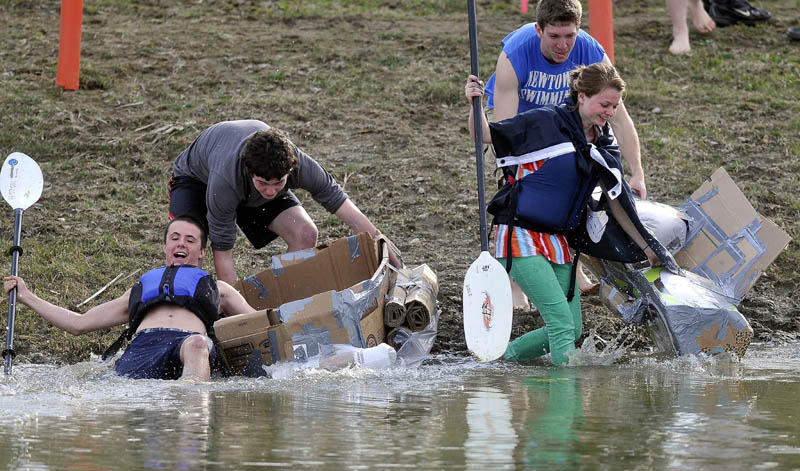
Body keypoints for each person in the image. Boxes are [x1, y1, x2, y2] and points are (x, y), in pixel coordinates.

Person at [465, 63, 635, 366]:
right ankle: (564, 402)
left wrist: (646, 247)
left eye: (615, 106)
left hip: (556, 240)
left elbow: (617, 198)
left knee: (573, 327)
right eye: (604, 104)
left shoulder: (600, 140)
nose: (610, 112)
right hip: (518, 235)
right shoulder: (546, 122)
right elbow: (485, 135)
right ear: (581, 96)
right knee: (561, 325)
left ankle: (503, 362)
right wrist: (475, 104)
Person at [480, 0, 646, 294]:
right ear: (538, 30)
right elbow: (508, 136)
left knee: (580, 185)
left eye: (569, 36)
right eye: (554, 36)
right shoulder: (515, 54)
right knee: (527, 195)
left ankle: (574, 269)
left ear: (578, 29)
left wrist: (637, 173)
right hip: (522, 121)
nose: (563, 45)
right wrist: (521, 174)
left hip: (565, 121)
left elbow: (620, 119)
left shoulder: (592, 52)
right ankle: (515, 278)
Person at [3, 216, 256, 381]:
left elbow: (260, 325)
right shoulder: (139, 290)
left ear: (202, 252)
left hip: (189, 344)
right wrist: (27, 296)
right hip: (143, 348)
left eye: (190, 240)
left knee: (198, 345)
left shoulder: (219, 288)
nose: (181, 244)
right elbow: (78, 324)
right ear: (166, 246)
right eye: (175, 238)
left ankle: (189, 430)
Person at [169, 120, 398, 285]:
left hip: (245, 186)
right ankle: (192, 313)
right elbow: (223, 253)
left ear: (291, 169)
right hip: (196, 180)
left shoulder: (300, 165)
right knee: (188, 245)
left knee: (305, 234)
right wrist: (238, 320)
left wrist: (384, 247)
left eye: (278, 183)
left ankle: (280, 294)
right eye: (263, 184)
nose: (270, 192)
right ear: (250, 172)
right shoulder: (226, 181)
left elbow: (348, 212)